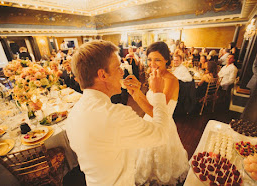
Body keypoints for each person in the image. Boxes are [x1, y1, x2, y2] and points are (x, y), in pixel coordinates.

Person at [66, 40, 170, 186]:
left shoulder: (73, 113)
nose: (122, 72)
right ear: (103, 75)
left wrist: (137, 95)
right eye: (117, 68)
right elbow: (162, 135)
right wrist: (158, 93)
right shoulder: (116, 116)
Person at [133, 42, 189, 185]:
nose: (152, 63)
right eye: (150, 59)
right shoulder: (154, 75)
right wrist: (136, 92)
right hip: (148, 122)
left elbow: (157, 113)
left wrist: (136, 94)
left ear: (166, 60)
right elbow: (150, 102)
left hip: (162, 125)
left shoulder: (170, 80)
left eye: (157, 59)